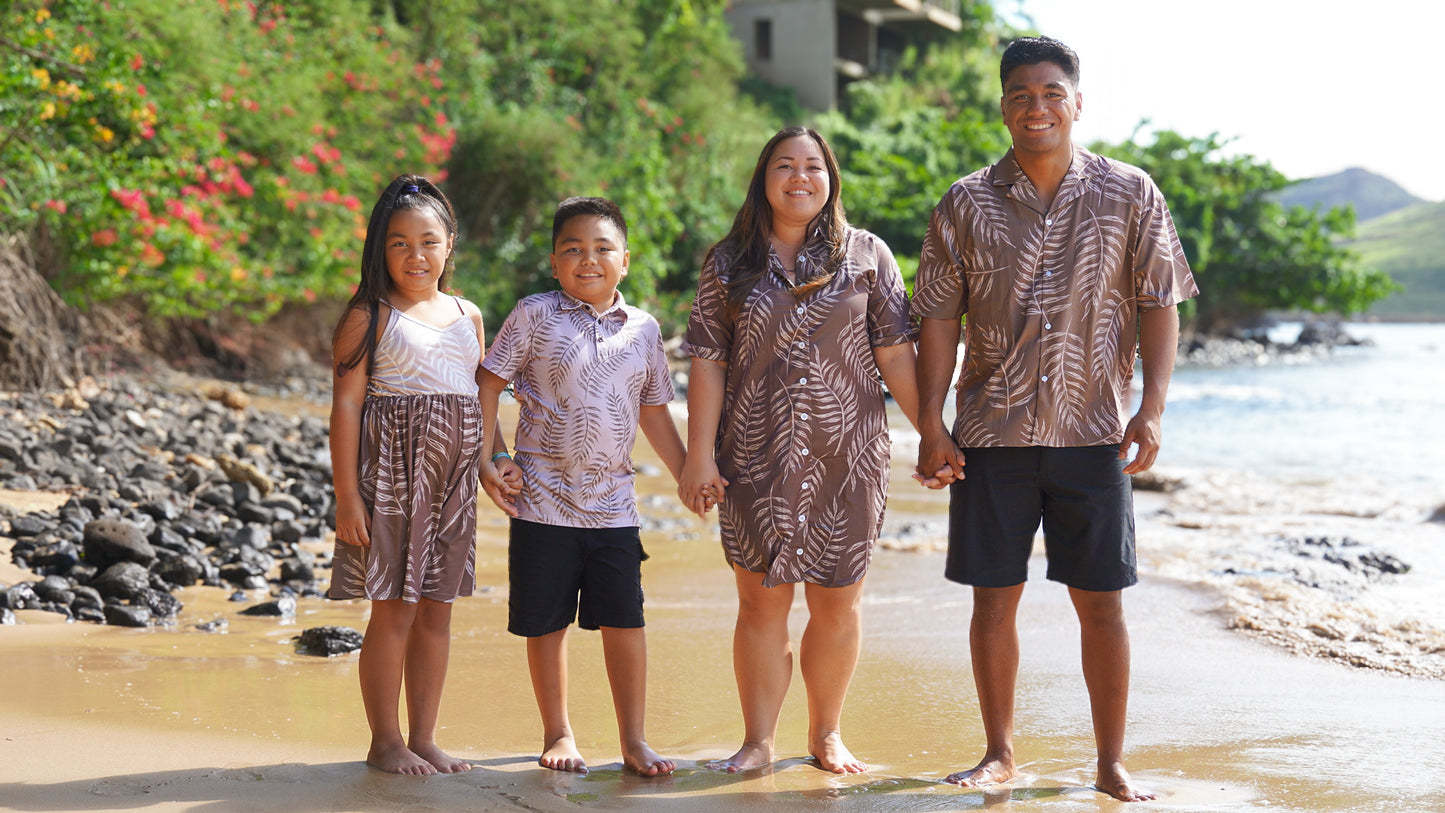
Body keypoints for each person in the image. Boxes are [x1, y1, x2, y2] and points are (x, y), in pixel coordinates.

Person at [912, 36, 1200, 802]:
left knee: (1101, 603)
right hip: (990, 432)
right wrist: (929, 423)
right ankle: (998, 752)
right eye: (1018, 95)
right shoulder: (963, 201)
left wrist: (1153, 408)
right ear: (1002, 106)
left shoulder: (1129, 191)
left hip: (1092, 431)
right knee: (991, 598)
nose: (1034, 107)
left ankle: (1109, 763)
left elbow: (1158, 301)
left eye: (1049, 93)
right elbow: (937, 319)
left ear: (1076, 102)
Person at [680, 126, 929, 775]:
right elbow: (706, 359)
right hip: (751, 457)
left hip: (849, 457)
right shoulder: (727, 260)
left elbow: (895, 352)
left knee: (836, 600)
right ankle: (758, 740)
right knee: (761, 601)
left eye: (812, 166)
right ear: (763, 179)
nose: (799, 177)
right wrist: (696, 455)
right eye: (784, 166)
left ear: (830, 177)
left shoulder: (866, 255)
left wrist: (933, 431)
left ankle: (826, 733)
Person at [477, 196, 690, 777]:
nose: (587, 260)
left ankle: (635, 740)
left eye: (601, 249)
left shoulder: (644, 329)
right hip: (541, 501)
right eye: (572, 249)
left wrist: (689, 473)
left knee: (627, 620)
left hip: (615, 508)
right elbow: (486, 385)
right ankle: (559, 730)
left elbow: (653, 415)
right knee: (547, 622)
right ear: (553, 262)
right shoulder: (533, 315)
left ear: (625, 260)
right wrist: (492, 455)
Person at [329, 174, 520, 775]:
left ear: (450, 245)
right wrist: (346, 497)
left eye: (429, 242)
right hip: (390, 477)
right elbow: (346, 405)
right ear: (380, 249)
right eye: (400, 243)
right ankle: (384, 740)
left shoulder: (469, 314)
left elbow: (477, 398)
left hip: (453, 484)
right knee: (394, 609)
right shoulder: (369, 314)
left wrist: (494, 459)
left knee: (438, 609)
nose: (416, 256)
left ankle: (425, 736)